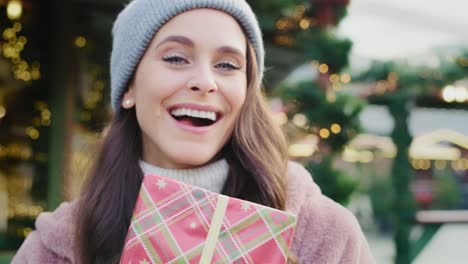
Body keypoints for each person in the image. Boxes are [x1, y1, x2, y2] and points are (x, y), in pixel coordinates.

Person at [12, 0, 375, 263]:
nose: (204, 81)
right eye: (175, 58)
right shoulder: (51, 252)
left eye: (227, 64)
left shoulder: (323, 235)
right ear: (128, 89)